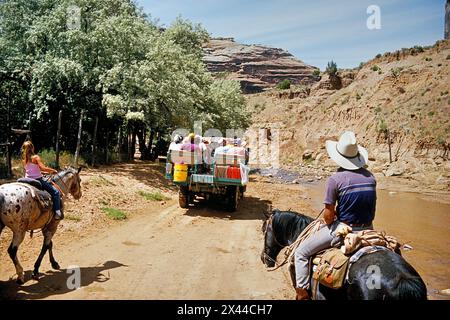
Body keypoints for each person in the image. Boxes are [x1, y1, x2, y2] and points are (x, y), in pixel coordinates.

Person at [294, 131, 376, 300]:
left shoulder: (335, 179)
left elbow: (328, 218)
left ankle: (302, 293)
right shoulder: (370, 177)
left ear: (338, 157)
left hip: (344, 230)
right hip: (368, 229)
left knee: (301, 253)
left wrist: (335, 213)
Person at [21, 141, 63, 220]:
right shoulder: (36, 157)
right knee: (56, 192)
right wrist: (52, 170)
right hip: (37, 180)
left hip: (26, 179)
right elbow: (42, 168)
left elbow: (31, 170)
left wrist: (42, 172)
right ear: (32, 148)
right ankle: (57, 212)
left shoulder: (24, 160)